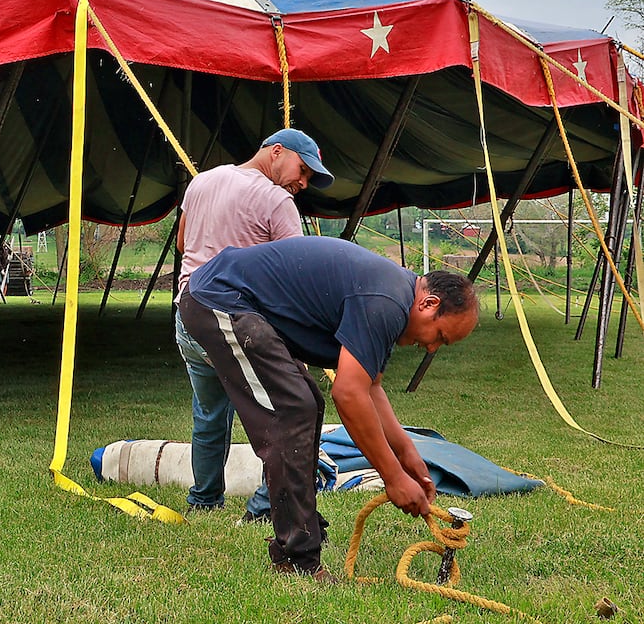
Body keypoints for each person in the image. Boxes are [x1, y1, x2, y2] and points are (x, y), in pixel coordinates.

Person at [178, 237, 479, 581]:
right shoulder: (385, 301)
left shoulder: (392, 297)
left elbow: (370, 388)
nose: (431, 348)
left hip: (235, 300)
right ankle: (295, 558)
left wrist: (406, 453)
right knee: (293, 411)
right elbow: (349, 395)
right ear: (428, 303)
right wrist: (393, 479)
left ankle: (300, 533)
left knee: (305, 404)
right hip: (218, 299)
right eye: (439, 336)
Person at [174, 128, 333, 516]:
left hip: (187, 317)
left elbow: (182, 244)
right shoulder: (276, 200)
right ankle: (264, 507)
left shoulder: (202, 181)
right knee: (282, 412)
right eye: (302, 169)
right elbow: (295, 275)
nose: (303, 182)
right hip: (234, 323)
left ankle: (205, 500)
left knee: (209, 414)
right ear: (276, 152)